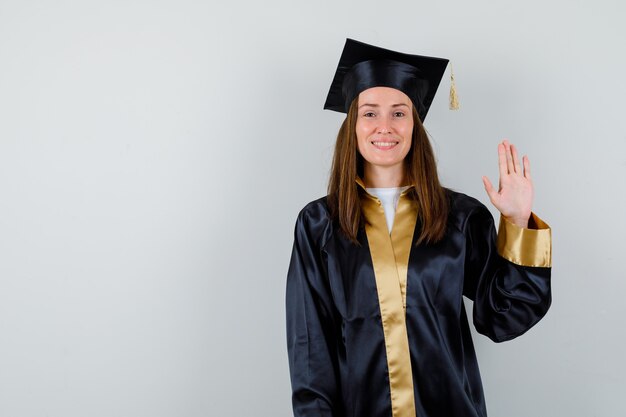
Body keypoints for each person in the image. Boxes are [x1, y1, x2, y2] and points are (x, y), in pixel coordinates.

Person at [285, 38, 552, 417]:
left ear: (415, 124)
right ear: (353, 124)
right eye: (370, 113)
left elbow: (503, 318)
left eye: (399, 113)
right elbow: (311, 349)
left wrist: (517, 221)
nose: (384, 127)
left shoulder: (459, 217)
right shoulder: (318, 225)